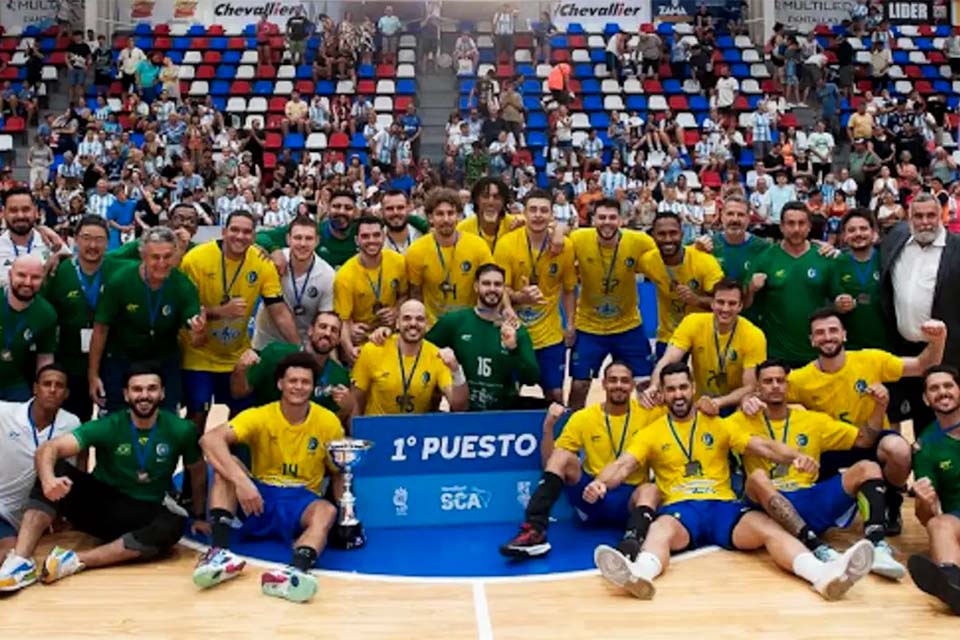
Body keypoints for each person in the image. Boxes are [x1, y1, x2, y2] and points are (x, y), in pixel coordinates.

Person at [590, 362, 875, 601]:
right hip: (681, 509)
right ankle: (640, 574)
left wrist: (795, 457)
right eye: (671, 389)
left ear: (692, 389)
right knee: (660, 529)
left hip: (722, 506)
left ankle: (823, 575)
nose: (678, 394)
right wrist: (602, 483)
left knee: (768, 528)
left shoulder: (720, 424)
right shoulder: (651, 432)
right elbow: (623, 464)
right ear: (663, 394)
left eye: (683, 387)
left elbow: (763, 447)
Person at [0, 363, 207, 592]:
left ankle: (75, 560)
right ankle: (21, 561)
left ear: (163, 393)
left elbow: (197, 471)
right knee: (56, 468)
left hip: (141, 511)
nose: (145, 395)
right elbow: (48, 448)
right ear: (126, 394)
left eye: (152, 389)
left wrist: (199, 516)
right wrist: (49, 480)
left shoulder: (181, 429)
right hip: (100, 507)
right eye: (137, 390)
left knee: (173, 525)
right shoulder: (108, 426)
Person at [758, 308, 947, 535]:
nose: (827, 337)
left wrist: (938, 340)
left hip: (872, 438)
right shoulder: (800, 379)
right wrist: (751, 402)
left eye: (833, 330)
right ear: (811, 340)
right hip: (831, 447)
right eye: (820, 333)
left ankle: (891, 499)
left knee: (898, 449)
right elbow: (768, 393)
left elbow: (921, 366)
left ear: (845, 334)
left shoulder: (870, 360)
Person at [193, 353, 343, 603]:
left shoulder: (329, 422)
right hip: (260, 495)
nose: (298, 386)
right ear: (280, 384)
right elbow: (209, 439)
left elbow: (338, 472)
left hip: (301, 499)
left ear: (313, 387)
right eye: (292, 380)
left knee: (326, 511)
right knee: (227, 468)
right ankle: (219, 553)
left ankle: (295, 572)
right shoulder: (260, 415)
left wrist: (346, 517)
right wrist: (242, 482)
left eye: (305, 382)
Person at [734, 359, 905, 579]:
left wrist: (880, 406)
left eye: (780, 381)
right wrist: (741, 402)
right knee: (756, 477)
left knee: (867, 468)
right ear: (757, 388)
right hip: (769, 505)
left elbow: (864, 440)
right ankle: (816, 546)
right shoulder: (739, 421)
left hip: (808, 497)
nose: (775, 386)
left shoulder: (813, 420)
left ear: (788, 386)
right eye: (768, 381)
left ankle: (877, 545)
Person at [499, 362, 663, 559]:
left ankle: (632, 542)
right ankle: (534, 531)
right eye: (613, 380)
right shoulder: (583, 418)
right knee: (562, 456)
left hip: (628, 501)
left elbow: (684, 412)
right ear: (603, 384)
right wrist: (548, 427)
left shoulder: (651, 414)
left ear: (632, 386)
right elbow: (548, 464)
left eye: (624, 381)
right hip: (591, 497)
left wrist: (662, 396)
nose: (618, 385)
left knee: (651, 490)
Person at [180, 210, 301, 435]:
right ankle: (192, 469)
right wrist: (221, 312)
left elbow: (278, 310)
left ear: (254, 237)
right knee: (197, 415)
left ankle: (235, 467)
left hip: (236, 356)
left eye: (247, 232)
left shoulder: (261, 262)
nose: (240, 236)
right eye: (234, 230)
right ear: (224, 232)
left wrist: (299, 350)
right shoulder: (195, 259)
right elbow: (186, 311)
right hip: (198, 355)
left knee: (242, 417)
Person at [87, 227, 206, 413]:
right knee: (117, 422)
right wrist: (93, 375)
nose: (162, 263)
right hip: (121, 359)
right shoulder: (119, 281)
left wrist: (200, 332)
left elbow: (196, 340)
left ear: (176, 255)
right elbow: (100, 330)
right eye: (155, 257)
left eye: (167, 256)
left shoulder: (184, 286)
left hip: (163, 360)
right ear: (143, 255)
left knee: (166, 421)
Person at [881, 192, 960, 437]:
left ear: (941, 216)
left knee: (947, 414)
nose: (925, 222)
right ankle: (924, 467)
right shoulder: (896, 238)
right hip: (903, 347)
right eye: (919, 216)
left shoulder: (957, 248)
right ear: (909, 217)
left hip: (947, 350)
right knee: (915, 413)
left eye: (931, 216)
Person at [568, 199, 656, 409]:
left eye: (612, 217)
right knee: (579, 385)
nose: (607, 222)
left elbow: (665, 258)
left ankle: (651, 433)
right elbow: (557, 233)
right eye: (601, 217)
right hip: (589, 327)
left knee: (645, 384)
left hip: (628, 326)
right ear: (592, 220)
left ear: (622, 220)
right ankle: (571, 428)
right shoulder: (579, 238)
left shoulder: (639, 240)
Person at [494, 190, 576, 401]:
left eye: (543, 210)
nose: (538, 215)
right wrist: (511, 307)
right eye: (533, 210)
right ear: (524, 213)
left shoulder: (565, 247)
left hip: (549, 336)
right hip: (515, 333)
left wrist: (570, 325)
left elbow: (568, 290)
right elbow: (499, 287)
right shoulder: (506, 244)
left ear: (551, 215)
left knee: (556, 394)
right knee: (508, 394)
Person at [645, 278, 766, 417]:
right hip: (699, 403)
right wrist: (654, 385)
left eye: (732, 304)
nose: (725, 309)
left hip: (735, 403)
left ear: (740, 306)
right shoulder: (693, 322)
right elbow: (668, 359)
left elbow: (749, 387)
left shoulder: (754, 335)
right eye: (720, 302)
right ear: (712, 303)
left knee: (750, 405)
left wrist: (717, 403)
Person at [427, 263, 539, 411]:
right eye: (486, 283)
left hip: (503, 415)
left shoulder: (516, 330)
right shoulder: (455, 322)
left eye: (498, 284)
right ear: (476, 287)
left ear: (504, 290)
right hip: (464, 414)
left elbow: (532, 379)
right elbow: (424, 350)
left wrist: (513, 349)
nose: (492, 289)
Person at [0, 365, 80, 564]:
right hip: (1, 507)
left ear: (66, 393)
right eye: (46, 384)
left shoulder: (71, 423)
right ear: (35, 388)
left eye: (59, 385)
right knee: (8, 553)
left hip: (31, 514)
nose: (52, 389)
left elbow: (72, 472)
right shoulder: (5, 413)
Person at [42, 216, 116, 421]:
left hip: (111, 362)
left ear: (108, 242)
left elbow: (148, 244)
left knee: (109, 427)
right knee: (74, 427)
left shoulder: (119, 269)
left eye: (99, 239)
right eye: (86, 238)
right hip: (70, 363)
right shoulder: (59, 271)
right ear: (75, 239)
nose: (93, 245)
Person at [747, 201, 835, 368]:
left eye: (801, 223)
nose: (796, 229)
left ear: (809, 226)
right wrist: (751, 289)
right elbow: (746, 304)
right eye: (791, 223)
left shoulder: (825, 258)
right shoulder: (765, 259)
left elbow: (837, 302)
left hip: (817, 352)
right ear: (781, 227)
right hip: (777, 353)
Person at [232, 311, 352, 423]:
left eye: (334, 330)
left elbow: (329, 427)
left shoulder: (340, 376)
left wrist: (346, 409)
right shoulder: (274, 353)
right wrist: (240, 370)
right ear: (310, 330)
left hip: (306, 439)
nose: (327, 333)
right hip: (265, 429)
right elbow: (238, 393)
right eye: (323, 326)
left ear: (338, 340)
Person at [351, 299, 467, 415]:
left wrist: (456, 370)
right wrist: (355, 431)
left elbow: (458, 406)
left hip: (415, 431)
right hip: (377, 429)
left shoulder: (436, 356)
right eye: (407, 318)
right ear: (397, 323)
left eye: (419, 319)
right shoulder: (373, 349)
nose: (413, 324)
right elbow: (356, 399)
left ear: (427, 324)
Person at [909, 365, 960, 615]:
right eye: (934, 388)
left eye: (948, 385)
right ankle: (953, 583)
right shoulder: (926, 446)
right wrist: (923, 500)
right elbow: (925, 518)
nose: (942, 392)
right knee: (939, 525)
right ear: (926, 399)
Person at [405, 188, 493, 327]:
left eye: (450, 213)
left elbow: (490, 285)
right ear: (430, 217)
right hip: (433, 326)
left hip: (470, 323)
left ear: (459, 215)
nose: (446, 219)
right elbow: (415, 293)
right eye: (439, 214)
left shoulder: (478, 246)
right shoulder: (416, 250)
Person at [640, 213, 724, 358]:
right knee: (664, 377)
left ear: (682, 234)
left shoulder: (704, 261)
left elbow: (724, 303)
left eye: (673, 233)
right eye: (661, 234)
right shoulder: (647, 260)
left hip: (703, 335)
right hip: (669, 336)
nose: (668, 239)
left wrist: (696, 300)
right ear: (653, 235)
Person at [252, 216, 335, 350]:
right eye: (297, 238)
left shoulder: (327, 275)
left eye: (308, 238)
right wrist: (273, 249)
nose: (302, 244)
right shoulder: (273, 261)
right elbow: (255, 236)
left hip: (303, 345)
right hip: (265, 342)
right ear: (288, 239)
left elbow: (323, 318)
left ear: (317, 241)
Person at [334, 216, 407, 365]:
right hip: (363, 341)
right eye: (365, 236)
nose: (371, 240)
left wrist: (396, 310)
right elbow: (343, 320)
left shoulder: (399, 262)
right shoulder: (345, 275)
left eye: (376, 235)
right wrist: (350, 351)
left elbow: (405, 295)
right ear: (357, 240)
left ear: (384, 236)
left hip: (392, 337)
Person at [0, 256, 57, 402]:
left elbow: (45, 356)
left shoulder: (46, 314)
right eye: (21, 275)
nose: (27, 282)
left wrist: (43, 389)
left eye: (35, 277)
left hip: (13, 382)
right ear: (10, 274)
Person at [830, 210, 888, 350]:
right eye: (851, 230)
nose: (858, 234)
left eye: (863, 228)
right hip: (850, 346)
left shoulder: (886, 259)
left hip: (887, 344)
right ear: (844, 236)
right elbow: (829, 299)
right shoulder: (836, 263)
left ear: (874, 232)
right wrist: (837, 305)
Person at [258, 190, 360, 269]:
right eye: (336, 206)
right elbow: (260, 235)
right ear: (328, 209)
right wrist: (274, 249)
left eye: (348, 208)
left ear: (356, 212)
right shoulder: (310, 231)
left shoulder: (364, 234)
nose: (341, 211)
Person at [0, 186, 68, 287]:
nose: (20, 215)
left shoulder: (51, 243)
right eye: (13, 210)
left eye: (26, 209)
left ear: (36, 211)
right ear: (4, 213)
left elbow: (75, 266)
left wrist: (60, 255)